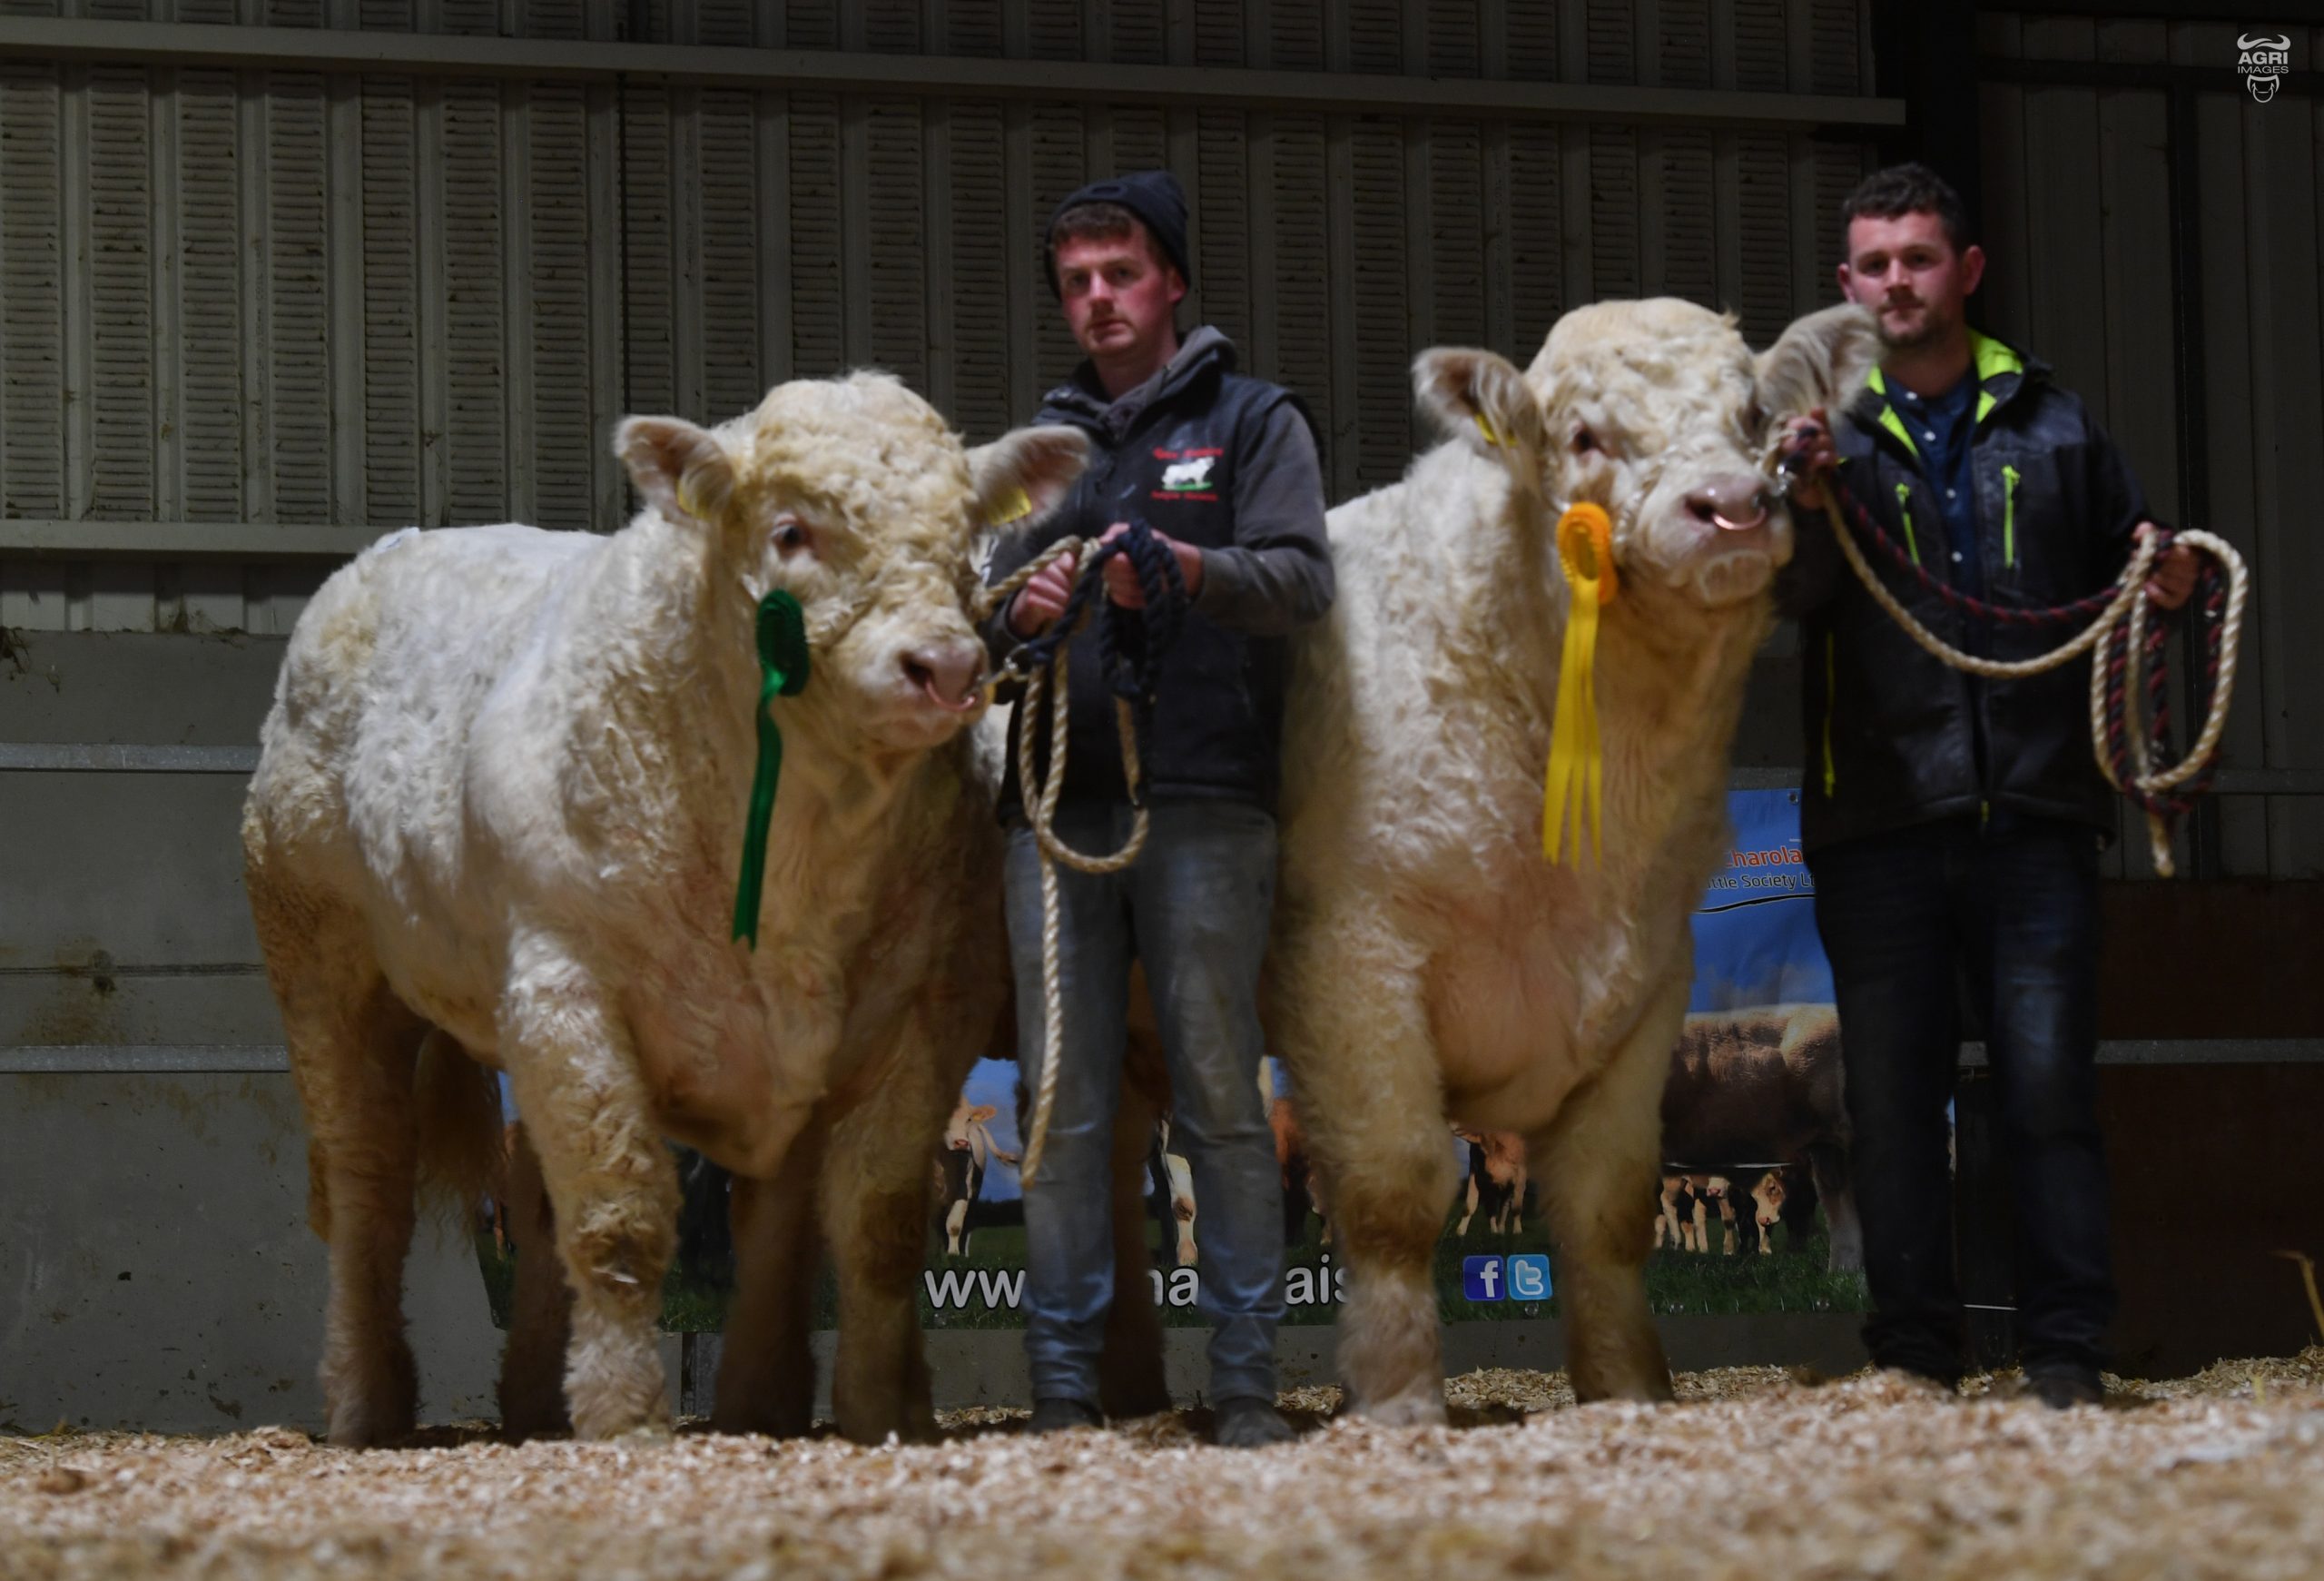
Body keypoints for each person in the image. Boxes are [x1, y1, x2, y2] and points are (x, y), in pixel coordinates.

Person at [1779, 163, 2195, 1408]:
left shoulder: (2059, 426)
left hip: (2038, 820)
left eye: (1917, 257)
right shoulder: (1820, 442)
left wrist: (2175, 583)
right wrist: (1800, 502)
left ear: (1967, 270)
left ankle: (2066, 1352)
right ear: (1845, 286)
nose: (1895, 280)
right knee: (1892, 1108)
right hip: (1878, 827)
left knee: (2048, 1092)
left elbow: (2139, 570)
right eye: (1873, 263)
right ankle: (1915, 1356)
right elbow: (1784, 605)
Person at [980, 171, 1333, 1447]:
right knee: (1059, 1110)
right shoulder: (1043, 454)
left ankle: (1244, 1381)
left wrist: (1181, 566)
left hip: (1202, 799)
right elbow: (980, 622)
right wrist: (1012, 612)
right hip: (1054, 810)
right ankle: (1061, 1391)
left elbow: (1300, 578)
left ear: (1172, 280)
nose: (1097, 300)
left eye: (1119, 274)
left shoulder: (1253, 422)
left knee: (1222, 1100)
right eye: (1075, 281)